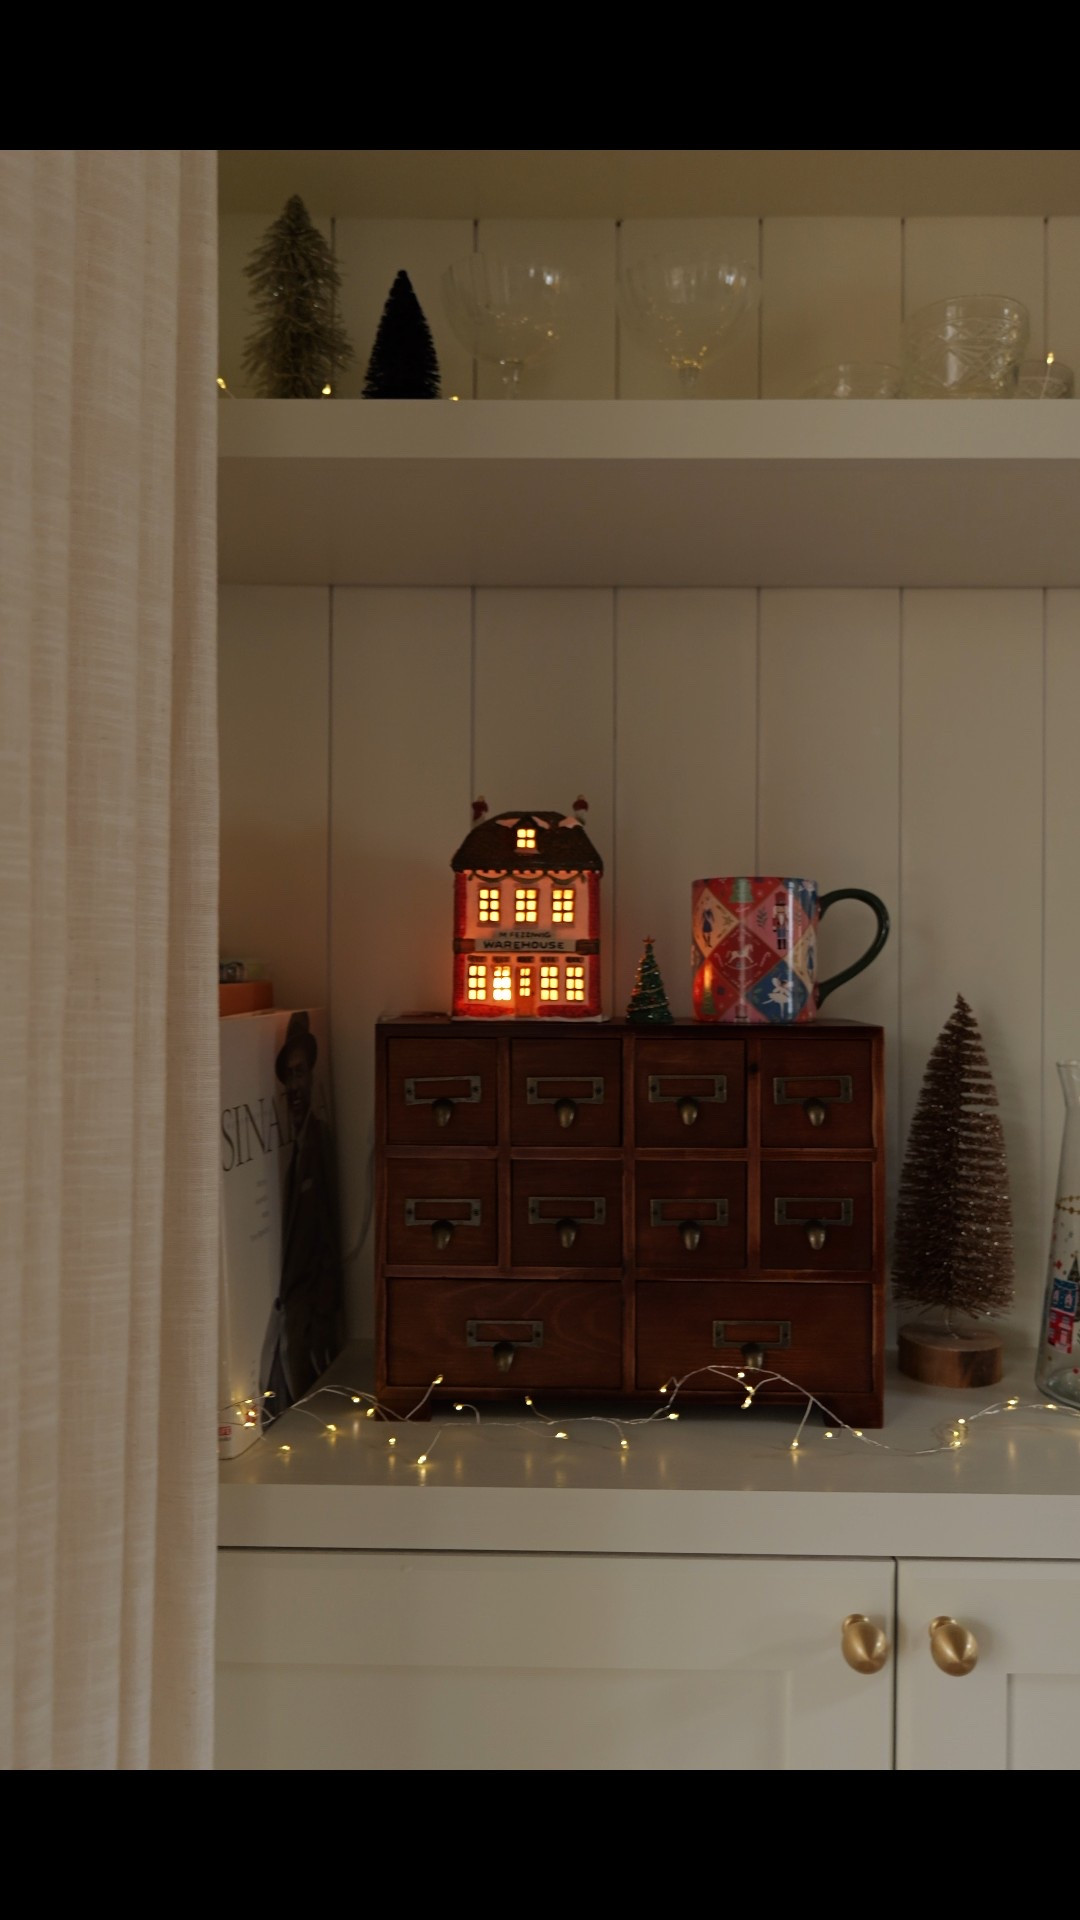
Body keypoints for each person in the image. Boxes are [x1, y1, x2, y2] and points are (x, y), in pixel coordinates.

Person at [259, 1011, 344, 1422]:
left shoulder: (318, 1140)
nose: (293, 1086)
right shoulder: (291, 1147)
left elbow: (327, 1227)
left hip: (311, 1313)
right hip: (289, 1311)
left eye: (299, 1073)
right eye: (287, 1076)